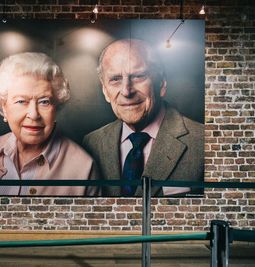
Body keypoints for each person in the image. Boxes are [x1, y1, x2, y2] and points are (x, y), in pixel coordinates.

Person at [83, 39, 204, 197]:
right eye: (115, 79)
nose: (126, 91)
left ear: (161, 83)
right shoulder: (91, 143)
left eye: (139, 76)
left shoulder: (203, 143)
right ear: (105, 90)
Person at [0, 52, 99, 196]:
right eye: (21, 101)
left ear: (56, 107)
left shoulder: (84, 168)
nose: (34, 114)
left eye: (44, 102)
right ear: (4, 107)